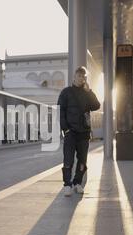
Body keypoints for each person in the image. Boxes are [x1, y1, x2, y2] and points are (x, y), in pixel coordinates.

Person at [58, 66, 101, 197]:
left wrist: (90, 92)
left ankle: (77, 183)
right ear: (74, 77)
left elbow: (96, 105)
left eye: (84, 77)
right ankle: (67, 185)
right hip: (70, 132)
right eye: (79, 76)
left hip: (84, 133)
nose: (81, 78)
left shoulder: (87, 93)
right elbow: (60, 111)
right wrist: (65, 129)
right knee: (68, 160)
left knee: (82, 160)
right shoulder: (66, 92)